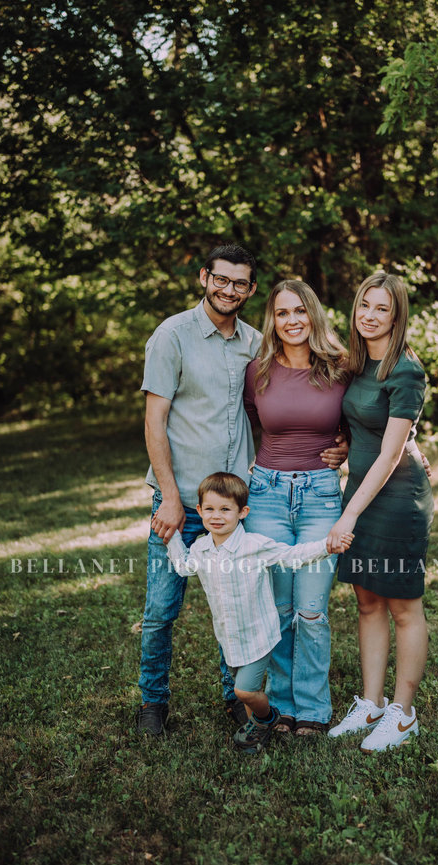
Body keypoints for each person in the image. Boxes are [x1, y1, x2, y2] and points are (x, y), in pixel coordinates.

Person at [136, 245, 347, 736]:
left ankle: (235, 694)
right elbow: (154, 420)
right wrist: (170, 496)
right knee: (161, 611)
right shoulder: (172, 335)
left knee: (239, 601)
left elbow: (287, 405)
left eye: (239, 283)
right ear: (204, 277)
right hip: (181, 498)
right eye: (221, 279)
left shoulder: (257, 345)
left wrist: (343, 442)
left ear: (251, 290)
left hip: (239, 503)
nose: (228, 289)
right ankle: (152, 702)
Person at [166, 472, 354, 753]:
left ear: (243, 512)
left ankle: (268, 718)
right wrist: (171, 536)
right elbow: (183, 566)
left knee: (244, 690)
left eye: (225, 509)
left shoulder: (254, 546)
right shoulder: (202, 548)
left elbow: (292, 556)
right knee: (246, 693)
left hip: (258, 635)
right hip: (229, 636)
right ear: (200, 510)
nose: (216, 516)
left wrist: (326, 546)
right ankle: (256, 733)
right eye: (210, 509)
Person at [326, 270, 434, 753]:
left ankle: (403, 714)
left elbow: (391, 455)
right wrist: (343, 447)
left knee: (403, 606)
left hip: (396, 498)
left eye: (382, 309)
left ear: (397, 316)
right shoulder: (356, 364)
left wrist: (348, 514)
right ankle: (370, 704)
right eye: (364, 305)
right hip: (361, 491)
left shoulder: (406, 371)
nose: (370, 316)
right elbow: (360, 427)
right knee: (367, 601)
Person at [242, 280, 350, 735]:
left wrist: (346, 446)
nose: (292, 321)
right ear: (273, 320)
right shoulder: (258, 371)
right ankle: (283, 704)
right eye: (283, 312)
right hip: (266, 495)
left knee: (311, 610)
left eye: (300, 311)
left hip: (320, 497)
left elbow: (361, 419)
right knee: (279, 609)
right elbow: (253, 421)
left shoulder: (341, 368)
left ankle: (314, 707)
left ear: (313, 315)